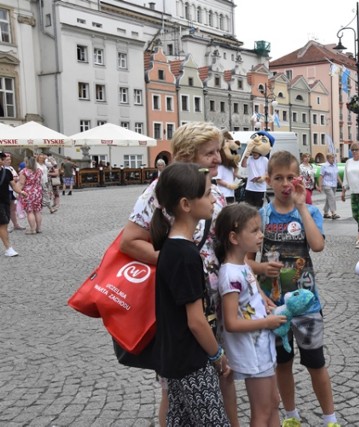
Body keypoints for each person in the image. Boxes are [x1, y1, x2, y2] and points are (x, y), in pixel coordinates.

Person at [119, 122, 240, 427]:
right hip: (185, 307)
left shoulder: (212, 188)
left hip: (215, 301)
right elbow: (130, 241)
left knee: (224, 376)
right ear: (187, 155)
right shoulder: (162, 190)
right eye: (209, 153)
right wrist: (176, 261)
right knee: (176, 392)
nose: (217, 158)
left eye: (218, 151)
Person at [249, 151, 341, 427]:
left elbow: (318, 245)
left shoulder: (310, 211)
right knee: (283, 363)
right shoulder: (261, 215)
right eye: (278, 178)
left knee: (316, 362)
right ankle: (290, 415)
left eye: (290, 177)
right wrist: (262, 270)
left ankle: (330, 418)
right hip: (273, 306)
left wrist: (302, 207)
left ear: (298, 179)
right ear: (268, 180)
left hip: (307, 303)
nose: (285, 183)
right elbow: (245, 261)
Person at [149, 162, 230, 426]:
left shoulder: (172, 248)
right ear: (186, 204)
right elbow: (196, 320)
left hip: (175, 360)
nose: (212, 199)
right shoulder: (185, 255)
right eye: (207, 194)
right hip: (191, 364)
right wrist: (217, 355)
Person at [215, 203, 286, 427]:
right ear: (234, 238)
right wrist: (268, 321)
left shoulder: (243, 266)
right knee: (262, 411)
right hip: (251, 353)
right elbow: (231, 323)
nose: (261, 235)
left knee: (273, 402)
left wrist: (265, 303)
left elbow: (251, 298)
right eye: (254, 230)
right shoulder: (230, 274)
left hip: (261, 347)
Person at [0, 152, 26, 257]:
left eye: (3, 159)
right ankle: (8, 248)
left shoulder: (7, 172)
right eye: (2, 159)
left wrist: (21, 192)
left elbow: (13, 185)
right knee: (2, 225)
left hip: (4, 201)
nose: (3, 161)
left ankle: (8, 249)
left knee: (4, 225)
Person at [241, 136, 269, 209]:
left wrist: (263, 177)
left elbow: (269, 171)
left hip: (260, 189)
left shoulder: (264, 160)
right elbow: (243, 165)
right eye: (253, 152)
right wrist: (247, 154)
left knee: (259, 209)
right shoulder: (250, 159)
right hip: (250, 188)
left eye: (256, 152)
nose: (254, 154)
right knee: (248, 209)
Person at [18, 157, 44, 235]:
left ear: (27, 162)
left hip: (28, 193)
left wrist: (18, 191)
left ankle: (32, 229)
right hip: (38, 192)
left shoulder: (24, 171)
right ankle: (38, 228)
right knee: (37, 211)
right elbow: (40, 181)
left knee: (30, 212)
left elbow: (22, 183)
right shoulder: (39, 171)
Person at [2, 152, 25, 232]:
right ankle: (5, 226)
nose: (9, 161)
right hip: (6, 190)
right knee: (5, 209)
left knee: (12, 209)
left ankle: (15, 224)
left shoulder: (10, 168)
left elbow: (15, 179)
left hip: (12, 190)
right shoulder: (4, 169)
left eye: (9, 159)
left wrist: (20, 191)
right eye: (7, 160)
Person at [317, 153, 342, 219]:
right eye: (332, 158)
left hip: (334, 185)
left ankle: (325, 212)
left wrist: (342, 184)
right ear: (328, 159)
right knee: (332, 197)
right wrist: (319, 186)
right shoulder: (324, 166)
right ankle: (333, 213)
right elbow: (321, 176)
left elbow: (337, 175)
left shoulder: (335, 165)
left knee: (329, 199)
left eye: (334, 158)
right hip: (326, 184)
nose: (333, 159)